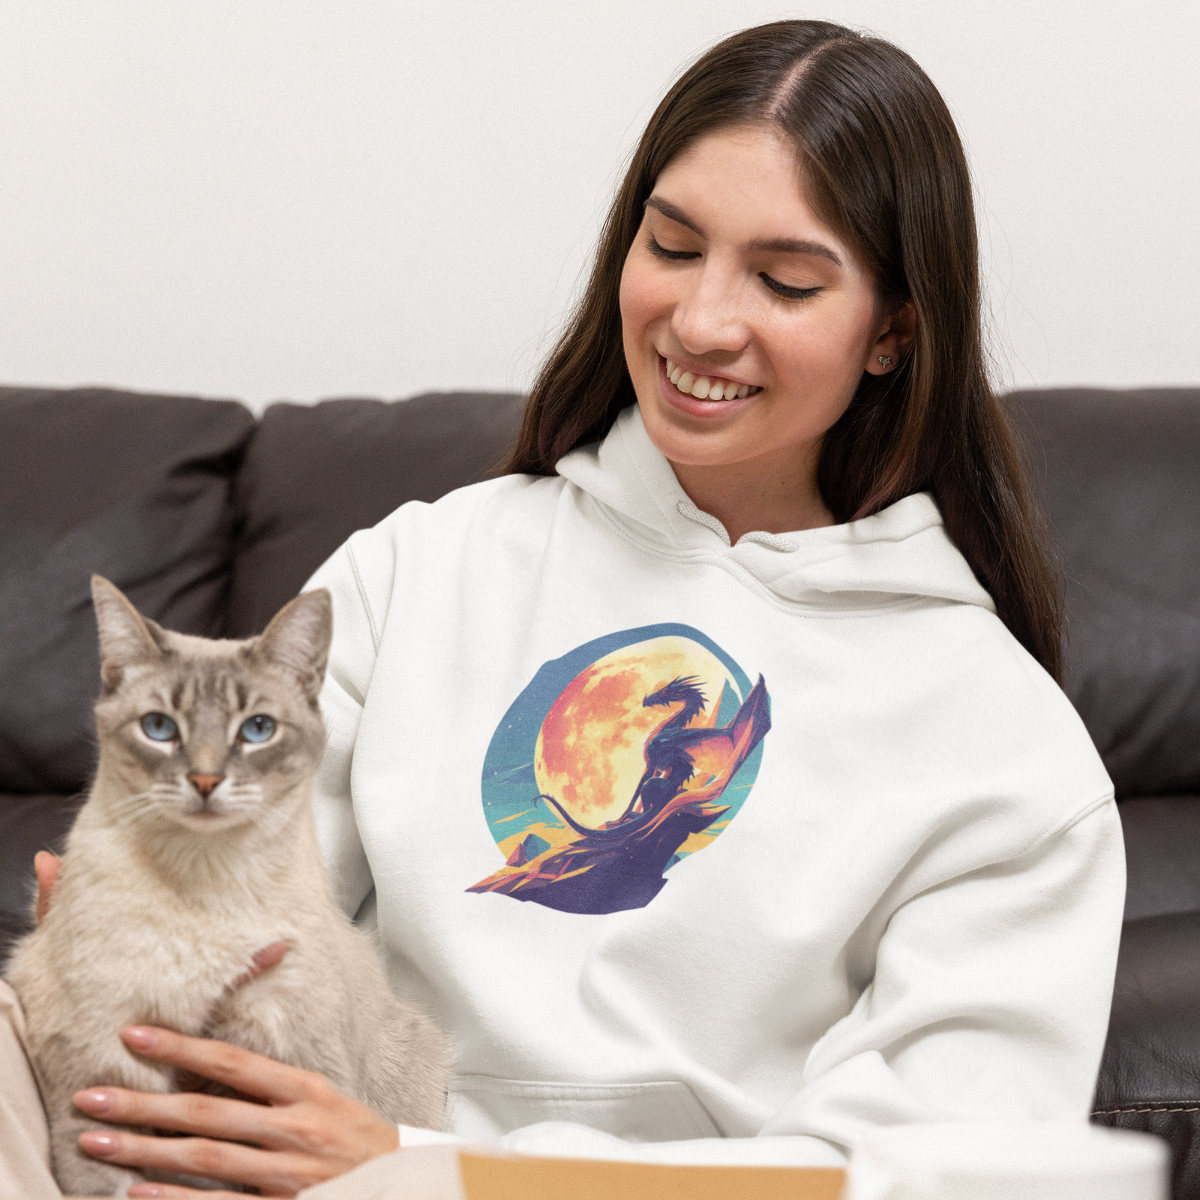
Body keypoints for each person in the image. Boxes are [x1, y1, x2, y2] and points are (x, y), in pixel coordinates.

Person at [3, 18, 1124, 1198]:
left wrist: (428, 1173)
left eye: (785, 281)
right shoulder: (417, 568)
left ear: (894, 330)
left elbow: (942, 1177)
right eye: (673, 246)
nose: (701, 324)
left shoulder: (1002, 747)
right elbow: (245, 969)